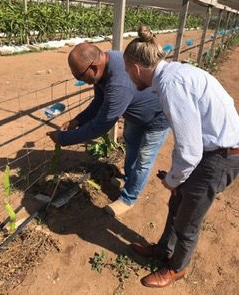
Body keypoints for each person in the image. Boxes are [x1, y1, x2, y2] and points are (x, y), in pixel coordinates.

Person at [123, 26, 239, 288]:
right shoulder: (174, 73)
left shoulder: (170, 84)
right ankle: (164, 249)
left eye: (128, 72)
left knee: (188, 217)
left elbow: (190, 150)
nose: (130, 78)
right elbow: (190, 140)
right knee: (178, 203)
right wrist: (178, 181)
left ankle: (177, 268)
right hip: (214, 150)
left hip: (220, 156)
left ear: (136, 67)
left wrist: (173, 180)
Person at [47, 42, 169, 216]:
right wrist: (77, 120)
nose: (82, 81)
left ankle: (129, 198)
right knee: (132, 149)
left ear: (94, 67)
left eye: (81, 76)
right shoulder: (105, 63)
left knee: (143, 160)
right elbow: (99, 102)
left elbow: (100, 126)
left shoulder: (119, 83)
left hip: (156, 119)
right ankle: (128, 180)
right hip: (135, 117)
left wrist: (63, 139)